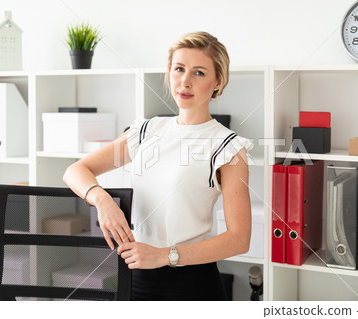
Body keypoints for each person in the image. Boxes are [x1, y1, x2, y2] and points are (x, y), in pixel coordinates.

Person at [63, 31, 253, 301]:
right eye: (179, 69)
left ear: (218, 81)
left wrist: (164, 255)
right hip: (135, 277)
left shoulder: (228, 147)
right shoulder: (146, 131)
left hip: (191, 285)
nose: (185, 81)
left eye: (199, 73)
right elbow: (75, 171)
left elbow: (239, 238)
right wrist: (102, 200)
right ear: (169, 72)